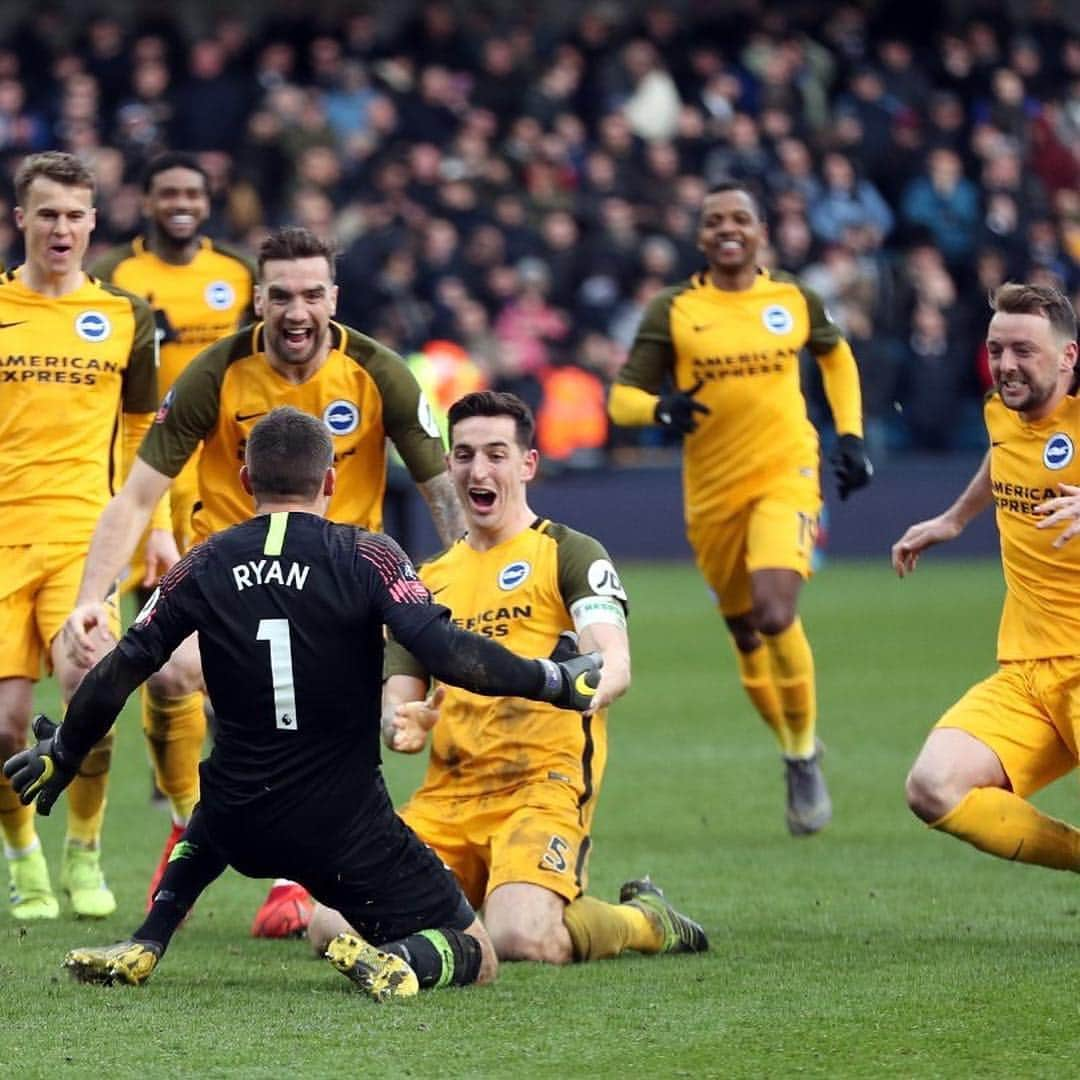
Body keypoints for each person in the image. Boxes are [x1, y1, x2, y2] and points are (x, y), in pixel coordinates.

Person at [3, 406, 602, 999]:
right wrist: (550, 678)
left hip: (240, 822)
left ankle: (149, 939)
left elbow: (123, 665)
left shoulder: (202, 563)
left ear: (245, 483)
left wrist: (67, 748)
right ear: (331, 480)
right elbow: (443, 650)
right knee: (476, 948)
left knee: (222, 798)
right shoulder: (371, 557)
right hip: (341, 829)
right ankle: (400, 961)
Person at [62, 225, 467, 937]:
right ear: (259, 300)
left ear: (334, 298)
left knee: (365, 720)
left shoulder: (379, 372)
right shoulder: (215, 374)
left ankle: (291, 874)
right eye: (281, 295)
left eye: (313, 294)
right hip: (228, 587)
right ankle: (192, 820)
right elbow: (133, 496)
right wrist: (91, 599)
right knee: (164, 676)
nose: (297, 311)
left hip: (341, 589)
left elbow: (441, 492)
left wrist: (476, 587)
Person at [309, 390, 708, 965]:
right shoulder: (427, 579)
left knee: (521, 937)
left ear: (527, 464)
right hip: (448, 796)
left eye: (497, 454)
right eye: (465, 455)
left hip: (540, 786)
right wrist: (407, 722)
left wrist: (583, 683)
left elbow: (613, 663)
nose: (479, 469)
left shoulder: (569, 553)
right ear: (448, 466)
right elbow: (398, 704)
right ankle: (469, 902)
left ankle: (643, 922)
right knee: (328, 922)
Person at [607, 179, 873, 835]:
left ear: (761, 232)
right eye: (715, 220)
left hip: (788, 472)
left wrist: (852, 434)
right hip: (711, 492)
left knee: (776, 610)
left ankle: (804, 753)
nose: (729, 228)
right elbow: (621, 400)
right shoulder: (674, 309)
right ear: (700, 237)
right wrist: (660, 408)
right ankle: (792, 746)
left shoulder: (793, 297)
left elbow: (835, 357)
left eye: (741, 218)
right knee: (746, 632)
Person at [0, 150, 161, 920]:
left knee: (91, 684)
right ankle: (24, 854)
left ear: (94, 222)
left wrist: (154, 526)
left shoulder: (126, 316)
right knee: (3, 722)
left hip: (83, 537)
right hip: (2, 537)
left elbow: (142, 435)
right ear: (20, 217)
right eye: (48, 213)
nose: (61, 227)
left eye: (75, 214)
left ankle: (85, 850)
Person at [91, 150, 257, 868]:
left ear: (206, 200)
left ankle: (202, 776)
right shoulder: (121, 281)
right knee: (160, 634)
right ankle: (181, 790)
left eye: (192, 192)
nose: (181, 203)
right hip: (150, 468)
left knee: (227, 628)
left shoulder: (236, 275)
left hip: (224, 468)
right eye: (168, 193)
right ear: (147, 202)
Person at [893, 283, 1080, 874]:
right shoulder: (1002, 408)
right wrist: (954, 518)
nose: (1006, 365)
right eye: (997, 349)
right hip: (1027, 673)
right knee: (933, 787)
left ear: (1068, 356)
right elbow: (1003, 453)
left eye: (1024, 350)